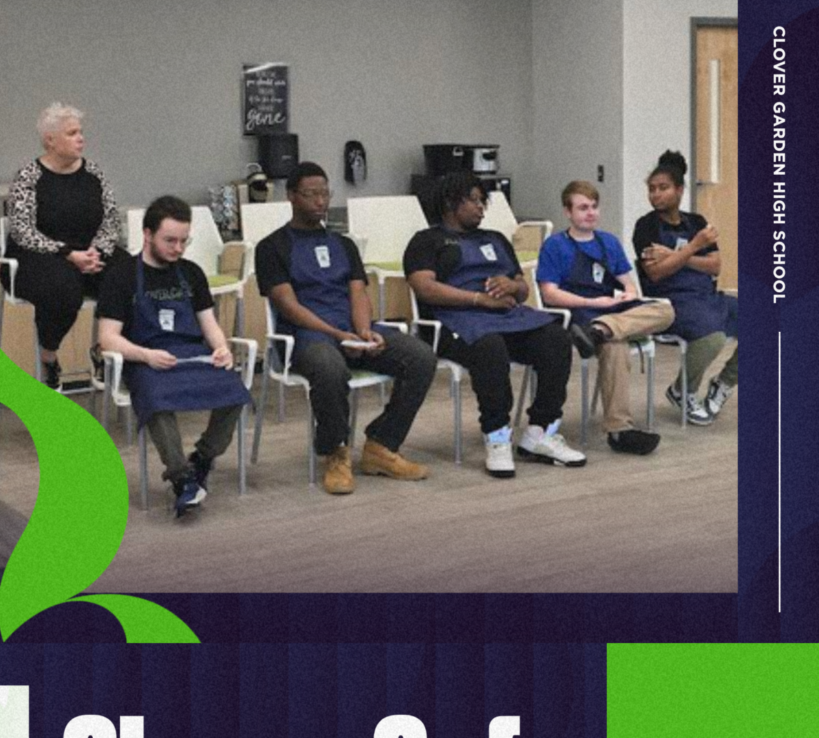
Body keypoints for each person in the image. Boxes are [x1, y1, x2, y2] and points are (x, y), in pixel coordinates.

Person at [255, 162, 436, 495]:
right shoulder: (272, 247)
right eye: (311, 194)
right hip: (306, 336)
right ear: (291, 196)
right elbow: (288, 306)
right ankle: (336, 452)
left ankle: (382, 445)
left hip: (353, 330)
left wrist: (364, 332)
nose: (320, 201)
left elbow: (358, 293)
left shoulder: (344, 244)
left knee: (421, 356)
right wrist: (339, 336)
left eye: (325, 193)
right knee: (329, 366)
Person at [404, 171, 584, 477]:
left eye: (482, 201)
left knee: (555, 338)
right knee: (490, 347)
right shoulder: (426, 241)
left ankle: (540, 432)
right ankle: (497, 435)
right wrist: (478, 299)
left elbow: (522, 288)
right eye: (473, 200)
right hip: (453, 322)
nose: (481, 207)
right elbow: (425, 288)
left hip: (506, 318)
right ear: (449, 203)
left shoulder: (496, 238)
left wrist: (512, 286)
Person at [97, 196, 252, 517]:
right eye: (170, 240)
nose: (178, 248)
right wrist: (145, 355)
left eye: (184, 241)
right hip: (144, 357)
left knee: (235, 389)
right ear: (147, 234)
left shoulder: (191, 273)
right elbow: (108, 338)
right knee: (156, 396)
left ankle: (203, 458)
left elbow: (209, 324)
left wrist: (221, 348)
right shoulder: (122, 276)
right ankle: (181, 478)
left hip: (191, 354)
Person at [537, 181, 674, 455]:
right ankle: (620, 431)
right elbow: (549, 294)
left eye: (594, 207)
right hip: (581, 313)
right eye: (583, 208)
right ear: (568, 212)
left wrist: (627, 295)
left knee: (666, 310)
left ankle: (601, 330)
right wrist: (592, 302)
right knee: (615, 345)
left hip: (612, 312)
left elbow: (630, 285)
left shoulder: (609, 242)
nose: (591, 213)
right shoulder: (555, 246)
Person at [3, 103, 128, 390]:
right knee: (63, 288)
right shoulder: (28, 176)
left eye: (80, 132)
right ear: (50, 140)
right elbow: (22, 230)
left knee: (128, 274)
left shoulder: (93, 172)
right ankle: (49, 358)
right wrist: (68, 254)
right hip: (38, 255)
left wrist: (98, 251)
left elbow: (111, 219)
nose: (81, 138)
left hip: (88, 250)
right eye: (72, 133)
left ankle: (103, 349)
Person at [633, 150, 738, 424]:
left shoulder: (697, 223)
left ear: (679, 190)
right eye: (652, 189)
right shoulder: (645, 227)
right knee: (713, 337)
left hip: (706, 295)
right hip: (671, 302)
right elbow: (656, 273)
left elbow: (715, 266)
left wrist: (676, 255)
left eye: (663, 188)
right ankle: (682, 390)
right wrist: (694, 247)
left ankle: (724, 383)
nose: (656, 195)